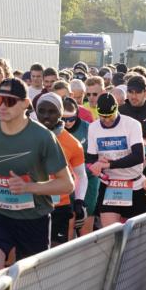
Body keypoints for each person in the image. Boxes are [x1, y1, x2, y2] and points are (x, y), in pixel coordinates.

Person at [0, 80, 72, 289]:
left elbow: (67, 184)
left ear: (25, 103)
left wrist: (30, 187)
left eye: (9, 101)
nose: (2, 106)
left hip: (33, 218)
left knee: (31, 287)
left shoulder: (42, 137)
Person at [86, 92, 146, 227]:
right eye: (103, 116)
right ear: (97, 112)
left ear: (117, 109)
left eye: (110, 116)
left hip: (134, 185)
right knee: (110, 235)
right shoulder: (93, 127)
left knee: (137, 237)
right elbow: (90, 159)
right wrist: (94, 168)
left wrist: (109, 165)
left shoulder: (132, 124)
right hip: (109, 186)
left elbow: (138, 156)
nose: (107, 120)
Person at [34, 93, 86, 247]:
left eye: (52, 111)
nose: (46, 116)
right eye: (41, 111)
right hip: (31, 204)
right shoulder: (26, 135)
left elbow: (81, 176)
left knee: (56, 252)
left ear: (60, 113)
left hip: (60, 206)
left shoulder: (73, 143)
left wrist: (79, 201)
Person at [62, 96, 100, 238]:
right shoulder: (56, 130)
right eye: (63, 119)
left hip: (88, 177)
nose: (67, 123)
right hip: (66, 179)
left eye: (71, 119)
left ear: (77, 114)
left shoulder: (88, 128)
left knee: (85, 219)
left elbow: (96, 155)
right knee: (69, 220)